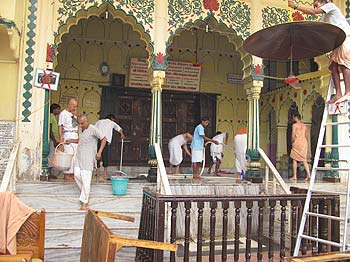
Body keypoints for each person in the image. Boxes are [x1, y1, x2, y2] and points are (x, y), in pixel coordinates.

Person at [288, 0, 350, 104]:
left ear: (323, 3)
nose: (315, 7)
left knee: (344, 63)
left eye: (316, 5)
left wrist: (295, 6)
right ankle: (338, 93)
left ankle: (348, 92)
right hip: (337, 42)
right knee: (333, 66)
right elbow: (316, 30)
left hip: (345, 37)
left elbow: (312, 12)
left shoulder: (330, 6)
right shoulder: (324, 19)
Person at [73, 114, 106, 210]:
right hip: (79, 156)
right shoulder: (81, 129)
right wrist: (70, 140)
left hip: (88, 158)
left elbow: (104, 138)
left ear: (87, 121)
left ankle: (84, 202)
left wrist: (99, 152)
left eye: (82, 123)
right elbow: (81, 139)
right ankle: (84, 192)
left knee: (86, 180)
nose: (81, 125)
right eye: (79, 124)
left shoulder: (93, 129)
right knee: (76, 175)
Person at [95, 114, 125, 179]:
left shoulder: (99, 121)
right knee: (105, 156)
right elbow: (119, 129)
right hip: (105, 141)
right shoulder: (111, 122)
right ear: (112, 118)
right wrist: (122, 135)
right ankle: (105, 173)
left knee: (97, 155)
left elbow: (94, 129)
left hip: (99, 140)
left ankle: (97, 172)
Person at [58, 98, 78, 181]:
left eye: (76, 106)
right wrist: (61, 138)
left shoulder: (73, 114)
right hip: (67, 134)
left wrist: (75, 114)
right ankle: (67, 174)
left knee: (75, 156)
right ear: (69, 104)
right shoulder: (63, 113)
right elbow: (60, 125)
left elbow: (76, 124)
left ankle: (73, 174)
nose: (75, 107)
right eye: (73, 105)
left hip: (74, 134)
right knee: (68, 155)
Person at [290, 113, 311, 181]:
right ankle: (309, 175)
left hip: (297, 142)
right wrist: (305, 143)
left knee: (294, 159)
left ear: (295, 117)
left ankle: (295, 176)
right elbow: (306, 136)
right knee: (304, 160)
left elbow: (293, 135)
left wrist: (292, 142)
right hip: (304, 143)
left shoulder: (295, 125)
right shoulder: (304, 126)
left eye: (293, 117)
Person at [48, 103, 61, 179]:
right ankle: (48, 173)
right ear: (54, 109)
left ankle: (50, 172)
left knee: (53, 156)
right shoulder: (51, 117)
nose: (59, 111)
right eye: (58, 109)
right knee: (51, 155)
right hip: (52, 139)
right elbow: (50, 130)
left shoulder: (54, 117)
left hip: (54, 139)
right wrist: (54, 140)